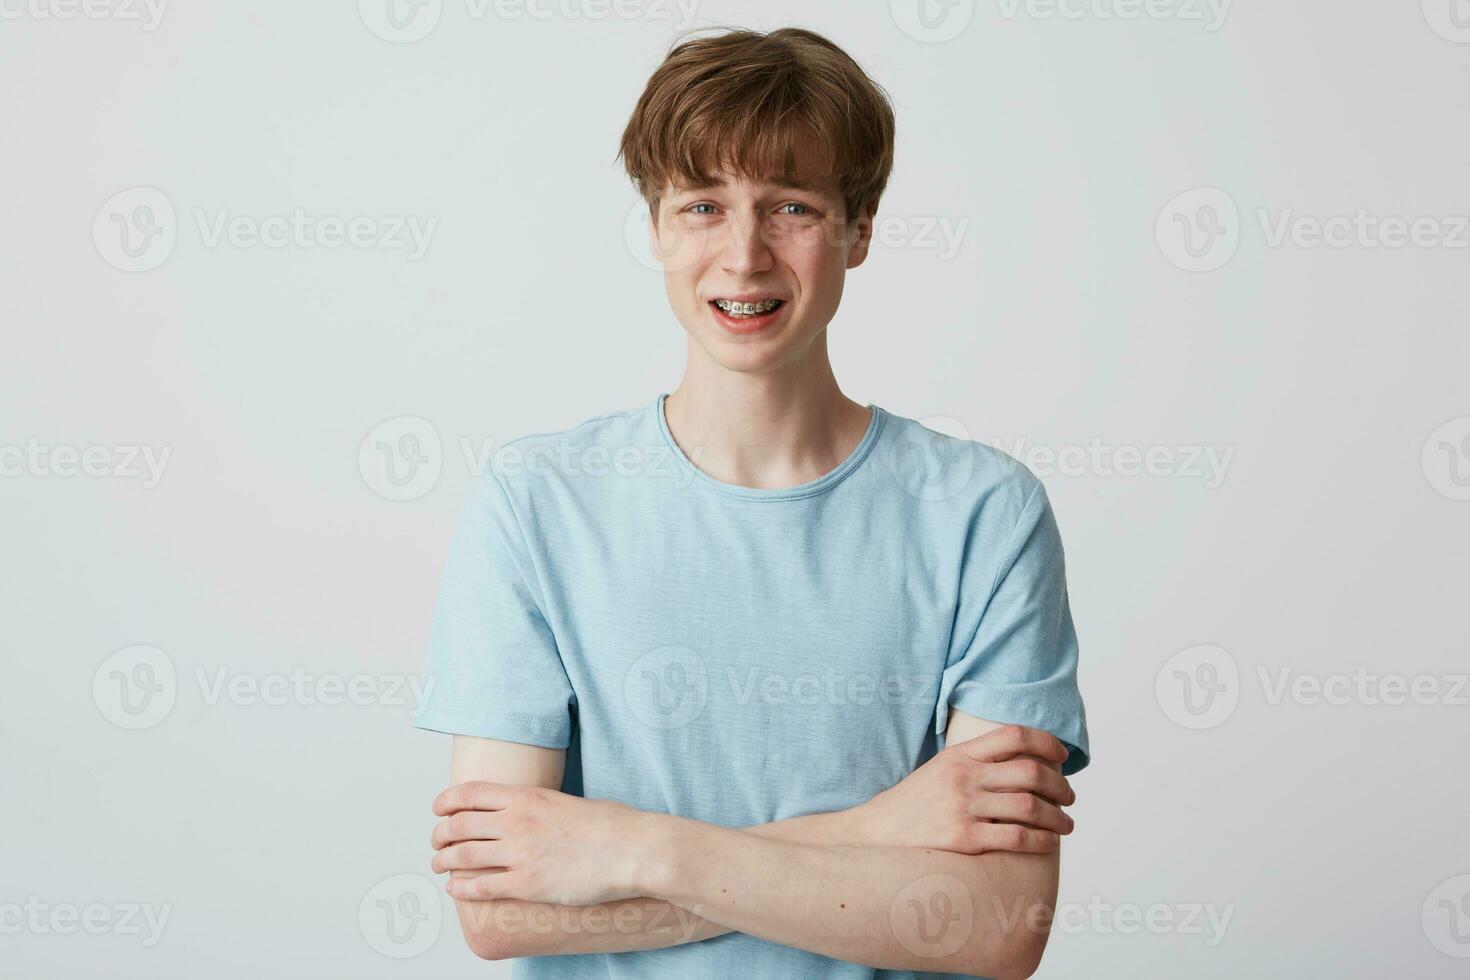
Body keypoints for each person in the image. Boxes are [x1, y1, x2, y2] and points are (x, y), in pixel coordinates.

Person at [412, 25, 1090, 980]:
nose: (742, 256)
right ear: (654, 227)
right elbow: (506, 914)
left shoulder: (984, 515)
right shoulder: (536, 505)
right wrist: (877, 831)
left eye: (792, 208)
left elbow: (996, 925)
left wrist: (633, 850)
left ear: (859, 229)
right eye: (701, 205)